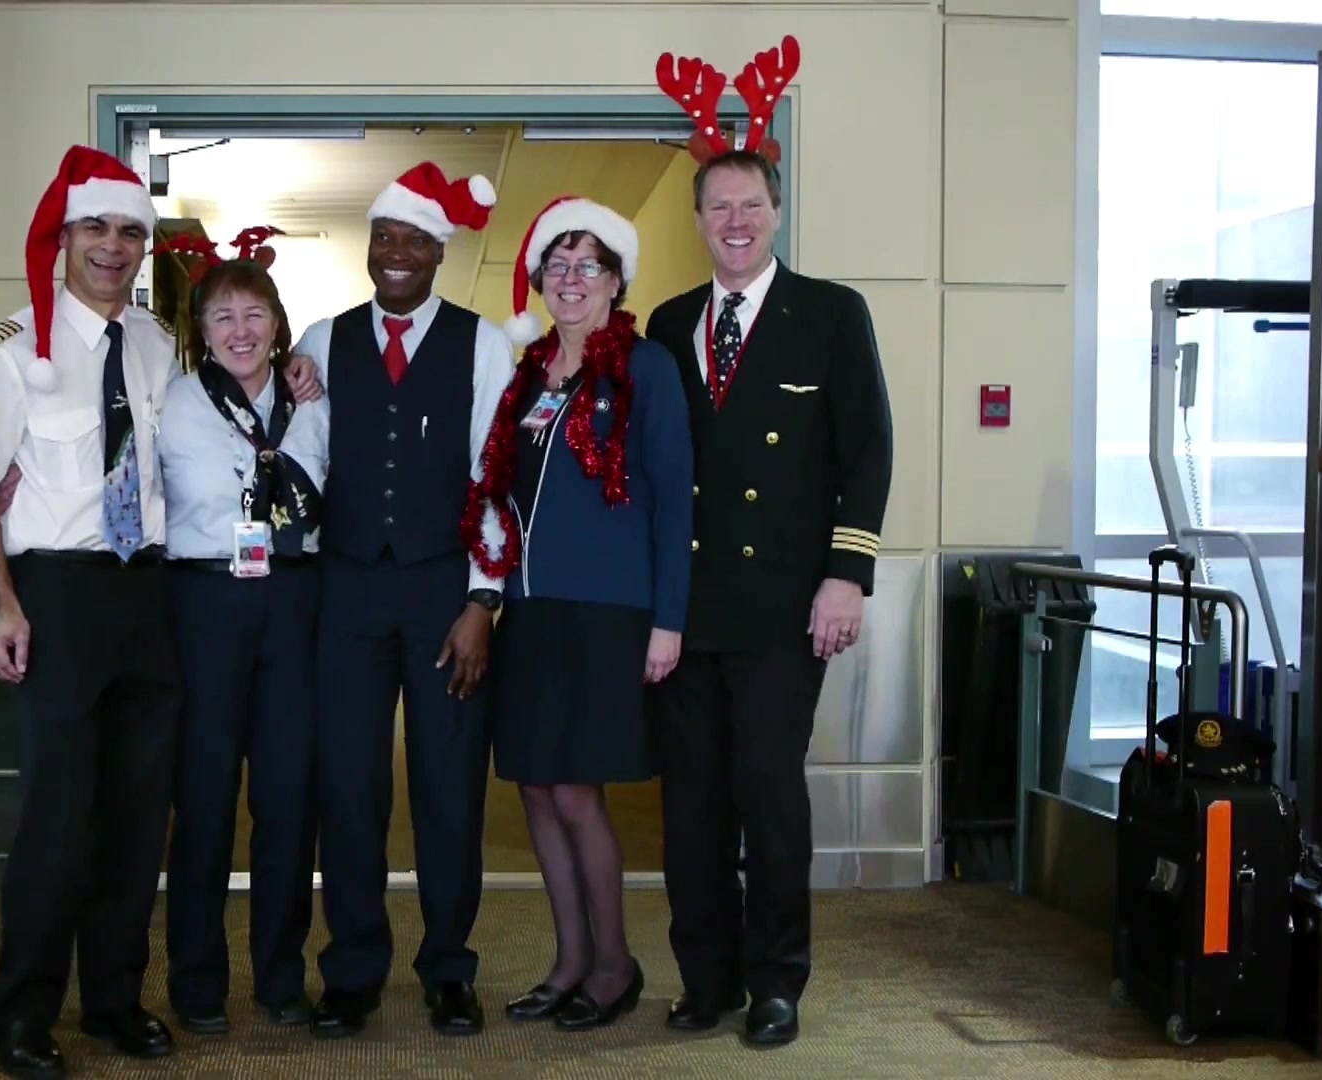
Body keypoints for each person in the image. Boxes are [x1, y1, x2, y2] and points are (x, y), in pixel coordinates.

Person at [643, 125, 894, 1047]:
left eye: (753, 205)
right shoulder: (671, 324)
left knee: (768, 793)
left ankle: (777, 980)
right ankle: (704, 978)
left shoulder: (830, 313)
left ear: (777, 212)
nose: (737, 222)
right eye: (720, 208)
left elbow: (868, 452)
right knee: (692, 805)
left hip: (787, 609)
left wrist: (848, 574)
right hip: (688, 611)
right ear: (700, 221)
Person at [0, 144, 183, 1076]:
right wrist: (4, 605)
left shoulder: (160, 341)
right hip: (58, 593)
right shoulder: (10, 350)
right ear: (64, 237)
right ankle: (19, 1016)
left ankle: (115, 1001)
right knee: (55, 823)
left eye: (131, 231)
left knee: (137, 820)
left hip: (149, 593)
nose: (114, 247)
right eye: (97, 228)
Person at [291, 161, 514, 1039]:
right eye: (384, 236)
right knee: (347, 784)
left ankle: (449, 969)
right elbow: (303, 461)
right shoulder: (323, 337)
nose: (396, 252)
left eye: (414, 239)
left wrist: (483, 601)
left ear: (438, 253)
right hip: (344, 591)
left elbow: (492, 478)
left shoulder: (482, 342)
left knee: (450, 785)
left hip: (441, 590)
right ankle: (351, 970)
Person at [465, 197, 693, 1030]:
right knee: (532, 783)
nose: (570, 279)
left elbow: (673, 503)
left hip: (610, 611)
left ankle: (614, 964)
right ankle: (567, 959)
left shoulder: (646, 368)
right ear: (538, 281)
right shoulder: (525, 376)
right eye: (556, 265)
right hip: (531, 610)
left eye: (587, 265)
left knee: (576, 791)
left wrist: (669, 620)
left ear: (615, 279)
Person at [149, 236, 328, 1035]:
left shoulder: (315, 399)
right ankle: (196, 980)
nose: (240, 328)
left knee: (288, 800)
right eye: (222, 314)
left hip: (295, 605)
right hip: (205, 604)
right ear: (201, 328)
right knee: (206, 798)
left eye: (254, 312)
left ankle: (282, 976)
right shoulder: (171, 398)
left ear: (279, 323)